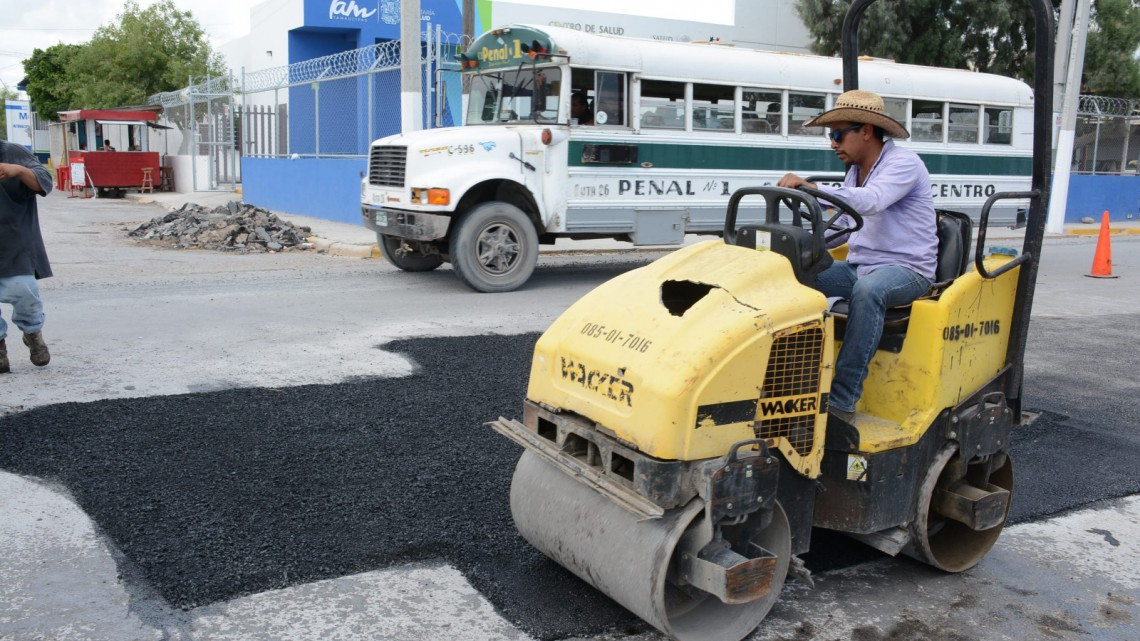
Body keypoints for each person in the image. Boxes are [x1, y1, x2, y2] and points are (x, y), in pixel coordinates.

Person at [776, 89, 937, 423]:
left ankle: (842, 402)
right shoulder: (856, 172)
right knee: (789, 274)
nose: (832, 143)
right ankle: (784, 381)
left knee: (869, 291)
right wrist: (809, 246)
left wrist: (815, 190)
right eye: (830, 135)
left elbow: (872, 200)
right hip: (860, 266)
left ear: (865, 131)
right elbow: (849, 225)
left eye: (837, 134)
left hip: (907, 271)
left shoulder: (903, 163)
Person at [0, 141, 55, 373]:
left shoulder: (13, 153)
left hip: (16, 240)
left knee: (24, 291)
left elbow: (46, 182)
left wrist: (19, 170)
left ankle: (32, 332)